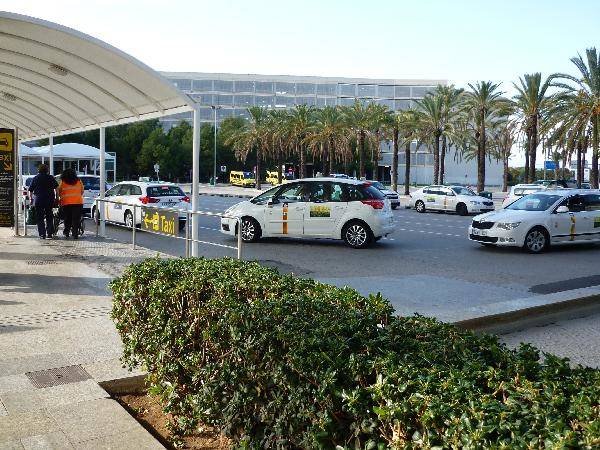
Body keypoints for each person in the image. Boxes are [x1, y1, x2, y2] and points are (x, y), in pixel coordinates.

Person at [28, 164, 58, 239]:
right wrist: (57, 197)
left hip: (39, 199)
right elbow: (57, 188)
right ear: (47, 170)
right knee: (49, 215)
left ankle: (42, 234)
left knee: (39, 217)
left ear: (39, 170)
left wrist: (31, 199)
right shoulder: (50, 177)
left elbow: (30, 190)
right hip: (49, 199)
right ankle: (50, 233)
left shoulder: (36, 178)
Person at [57, 168, 84, 239]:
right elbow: (82, 191)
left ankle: (66, 232)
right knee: (76, 219)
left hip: (66, 203)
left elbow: (59, 191)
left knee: (67, 218)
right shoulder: (79, 181)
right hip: (78, 202)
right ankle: (75, 234)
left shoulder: (63, 182)